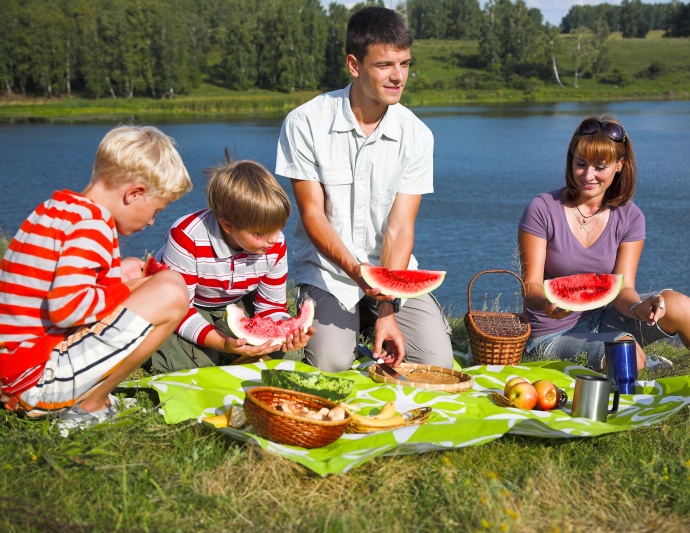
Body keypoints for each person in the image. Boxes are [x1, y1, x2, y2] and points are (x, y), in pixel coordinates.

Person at [517, 114, 690, 396]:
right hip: (551, 335)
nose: (588, 176)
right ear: (571, 162)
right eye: (580, 164)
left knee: (676, 304)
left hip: (603, 319)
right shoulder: (543, 209)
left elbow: (623, 290)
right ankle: (648, 364)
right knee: (626, 353)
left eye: (599, 167)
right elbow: (531, 287)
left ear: (619, 166)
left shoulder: (630, 217)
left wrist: (642, 306)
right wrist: (549, 304)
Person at [274, 6, 452, 373]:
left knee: (437, 361)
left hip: (391, 273)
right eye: (385, 65)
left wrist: (387, 307)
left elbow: (400, 228)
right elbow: (312, 214)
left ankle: (371, 321)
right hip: (329, 272)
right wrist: (357, 273)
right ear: (354, 65)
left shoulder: (417, 135)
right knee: (332, 362)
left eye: (404, 64)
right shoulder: (304, 123)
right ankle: (348, 334)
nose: (398, 77)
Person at [0, 124, 193, 428]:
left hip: (14, 367)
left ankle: (84, 398)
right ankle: (88, 407)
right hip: (35, 381)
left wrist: (125, 280)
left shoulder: (55, 209)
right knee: (172, 291)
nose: (153, 221)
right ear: (134, 193)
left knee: (130, 265)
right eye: (155, 209)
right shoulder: (93, 226)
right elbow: (67, 310)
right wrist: (127, 289)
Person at [144, 151, 313, 373]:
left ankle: (230, 354)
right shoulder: (187, 236)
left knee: (290, 352)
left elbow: (271, 307)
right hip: (182, 306)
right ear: (228, 226)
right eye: (260, 233)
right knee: (190, 364)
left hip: (231, 303)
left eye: (278, 228)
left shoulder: (274, 242)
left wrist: (289, 333)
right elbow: (179, 308)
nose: (274, 240)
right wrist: (221, 342)